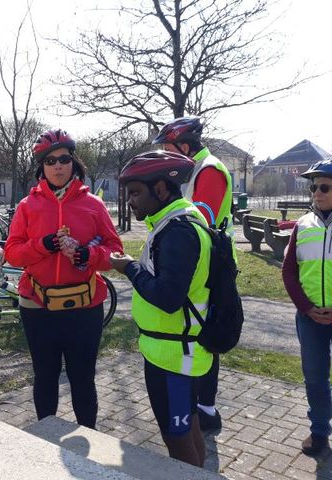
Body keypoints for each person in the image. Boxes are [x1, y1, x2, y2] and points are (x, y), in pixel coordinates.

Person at [4, 128, 123, 429]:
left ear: (74, 162)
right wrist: (41, 246)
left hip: (84, 307)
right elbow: (13, 254)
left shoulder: (93, 205)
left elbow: (116, 252)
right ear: (41, 167)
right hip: (38, 305)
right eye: (50, 161)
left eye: (64, 159)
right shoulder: (27, 206)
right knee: (44, 375)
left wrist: (88, 256)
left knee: (83, 377)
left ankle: (90, 437)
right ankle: (46, 438)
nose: (58, 166)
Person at [110, 150, 214, 467]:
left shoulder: (178, 232)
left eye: (136, 192)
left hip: (173, 359)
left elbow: (168, 298)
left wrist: (129, 268)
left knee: (178, 441)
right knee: (189, 428)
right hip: (172, 351)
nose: (130, 201)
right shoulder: (173, 225)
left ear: (161, 188)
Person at [152, 116, 234, 431]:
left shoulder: (209, 169)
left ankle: (206, 408)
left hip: (212, 264)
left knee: (206, 332)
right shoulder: (190, 169)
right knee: (194, 328)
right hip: (199, 260)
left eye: (168, 147)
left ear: (184, 146)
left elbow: (200, 217)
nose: (164, 154)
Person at [282, 160, 332, 456]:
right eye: (314, 187)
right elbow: (289, 272)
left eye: (324, 187)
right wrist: (306, 307)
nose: (317, 193)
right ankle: (319, 432)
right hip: (309, 318)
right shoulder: (302, 225)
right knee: (314, 377)